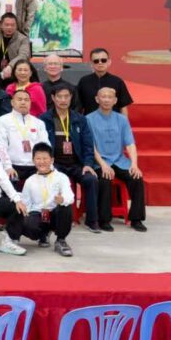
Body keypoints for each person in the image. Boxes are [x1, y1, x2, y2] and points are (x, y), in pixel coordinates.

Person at [41, 82, 101, 232]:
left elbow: (88, 145)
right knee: (51, 182)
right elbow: (41, 146)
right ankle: (56, 220)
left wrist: (88, 164)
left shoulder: (79, 119)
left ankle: (92, 220)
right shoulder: (44, 119)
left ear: (71, 97)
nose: (63, 100)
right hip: (55, 165)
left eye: (66, 96)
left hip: (76, 164)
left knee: (91, 180)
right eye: (59, 96)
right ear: (53, 98)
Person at [87, 87, 147, 232]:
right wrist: (103, 165)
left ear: (115, 101)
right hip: (100, 161)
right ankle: (104, 219)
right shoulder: (89, 119)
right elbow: (91, 146)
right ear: (97, 99)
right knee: (104, 179)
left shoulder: (122, 119)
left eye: (110, 97)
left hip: (120, 160)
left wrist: (134, 164)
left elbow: (130, 144)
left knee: (136, 178)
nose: (106, 100)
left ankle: (136, 219)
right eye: (103, 96)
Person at [18, 144, 75, 257]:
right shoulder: (30, 181)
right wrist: (26, 220)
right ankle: (42, 235)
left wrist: (62, 199)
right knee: (26, 223)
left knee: (66, 206)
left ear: (52, 160)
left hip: (54, 214)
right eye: (38, 159)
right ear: (33, 160)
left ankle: (61, 240)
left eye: (45, 158)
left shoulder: (61, 177)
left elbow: (70, 196)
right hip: (38, 213)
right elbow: (26, 203)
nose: (42, 162)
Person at [0, 89, 47, 186]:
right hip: (13, 166)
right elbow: (0, 145)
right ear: (12, 102)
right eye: (19, 99)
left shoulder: (38, 123)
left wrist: (45, 165)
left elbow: (45, 145)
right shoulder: (2, 121)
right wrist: (7, 167)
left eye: (26, 100)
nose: (23, 102)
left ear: (30, 103)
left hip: (35, 166)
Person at [77, 48, 134, 115]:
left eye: (103, 60)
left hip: (113, 121)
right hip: (89, 121)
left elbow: (123, 107)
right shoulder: (84, 81)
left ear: (109, 62)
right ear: (91, 63)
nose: (100, 63)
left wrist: (124, 122)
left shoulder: (118, 82)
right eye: (96, 61)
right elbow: (78, 106)